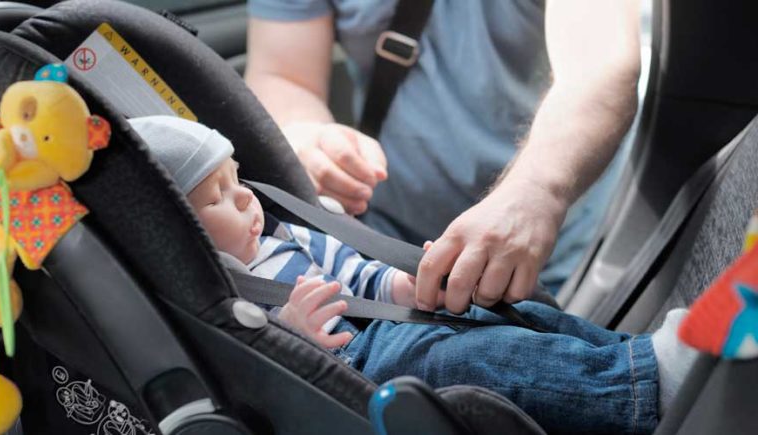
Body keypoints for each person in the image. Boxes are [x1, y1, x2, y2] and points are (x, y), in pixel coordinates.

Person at [129, 115, 697, 434]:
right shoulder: (221, 289)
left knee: (514, 316)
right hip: (356, 362)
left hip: (389, 321)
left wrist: (404, 285)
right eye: (217, 200)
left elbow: (351, 271)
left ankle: (635, 356)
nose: (246, 202)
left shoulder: (284, 235)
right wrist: (297, 332)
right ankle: (641, 390)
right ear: (181, 230)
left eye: (238, 182)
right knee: (469, 361)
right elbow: (262, 361)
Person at [244, 0, 642, 312]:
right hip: (388, 244)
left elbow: (600, 65)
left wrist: (537, 191)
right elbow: (282, 75)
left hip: (556, 249)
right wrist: (307, 136)